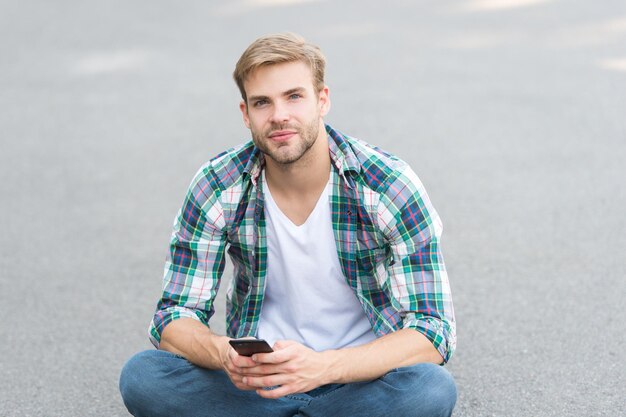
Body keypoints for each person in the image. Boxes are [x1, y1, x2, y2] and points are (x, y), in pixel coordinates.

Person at [119, 33, 457, 417]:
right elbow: (173, 316)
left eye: (294, 96)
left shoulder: (387, 185)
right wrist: (224, 353)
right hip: (256, 385)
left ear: (322, 100)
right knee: (143, 376)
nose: (279, 115)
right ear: (246, 114)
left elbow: (432, 332)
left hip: (359, 378)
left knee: (429, 391)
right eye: (262, 102)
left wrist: (324, 366)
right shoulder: (218, 184)